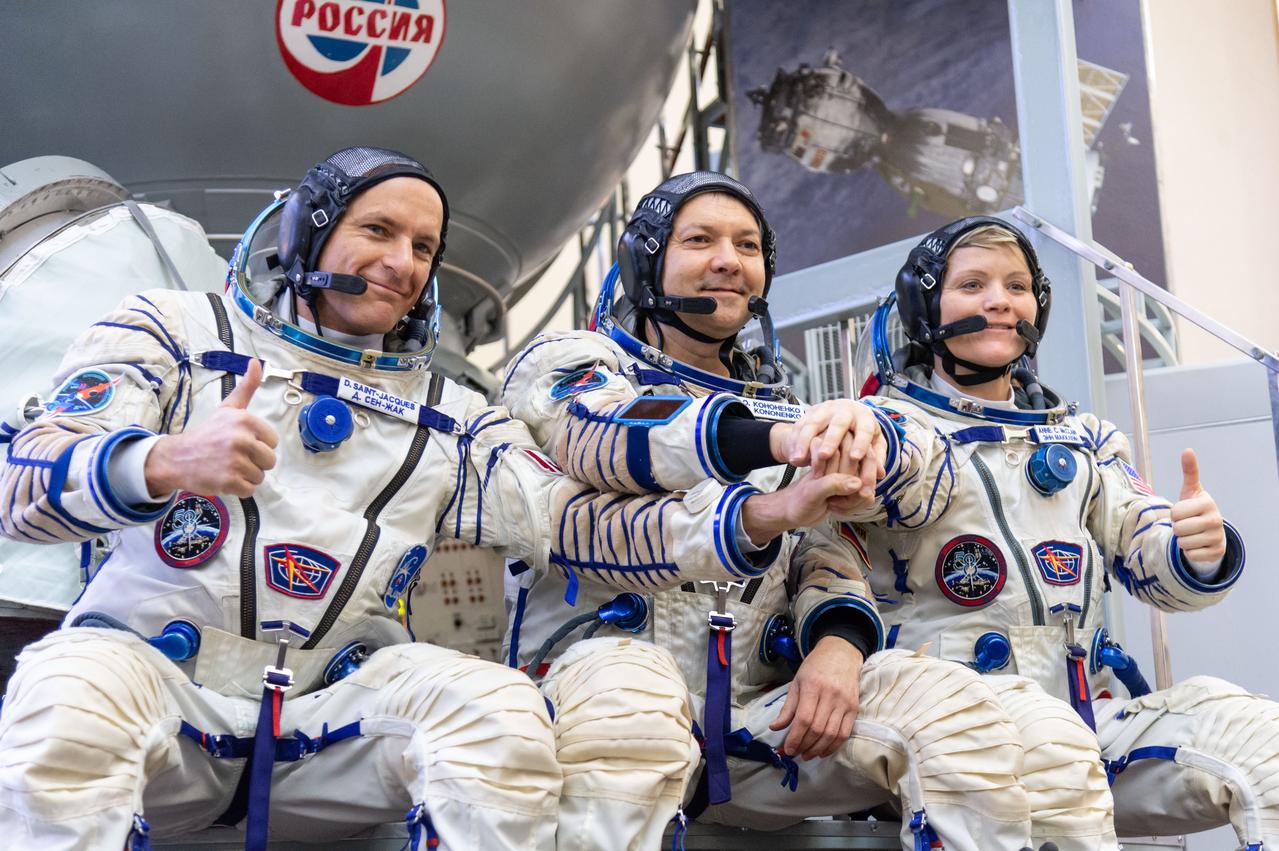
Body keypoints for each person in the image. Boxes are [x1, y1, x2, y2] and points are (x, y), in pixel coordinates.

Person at [0, 148, 824, 851]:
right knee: (69, 692)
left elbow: (568, 522)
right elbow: (24, 486)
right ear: (305, 232)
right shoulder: (176, 332)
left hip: (328, 716)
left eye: (423, 246)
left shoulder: (450, 414)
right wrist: (162, 461)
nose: (401, 262)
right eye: (377, 231)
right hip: (157, 682)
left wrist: (759, 516)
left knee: (497, 712)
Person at [500, 173, 1044, 851]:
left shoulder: (783, 407)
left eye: (747, 245)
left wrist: (839, 645)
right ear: (645, 260)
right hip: (595, 710)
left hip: (752, 721)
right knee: (632, 707)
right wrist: (778, 443)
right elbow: (607, 437)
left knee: (951, 709)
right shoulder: (572, 363)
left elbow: (824, 550)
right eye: (700, 240)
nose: (728, 260)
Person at [844, 215, 1277, 851]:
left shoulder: (1084, 440)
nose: (1000, 300)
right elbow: (886, 485)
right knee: (1056, 762)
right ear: (923, 307)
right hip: (953, 727)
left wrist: (1195, 550)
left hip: (1085, 715)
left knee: (1263, 747)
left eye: (1017, 286)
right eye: (972, 285)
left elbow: (1151, 556)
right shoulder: (884, 429)